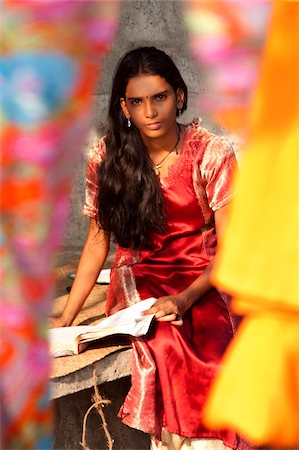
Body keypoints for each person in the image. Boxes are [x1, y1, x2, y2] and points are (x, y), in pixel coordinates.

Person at [51, 47, 241, 450]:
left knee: (213, 344)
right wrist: (66, 320)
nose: (150, 112)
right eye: (137, 102)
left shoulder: (211, 153)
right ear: (124, 107)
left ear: (180, 96)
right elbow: (97, 243)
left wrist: (186, 298)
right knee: (165, 338)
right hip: (140, 278)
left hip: (204, 275)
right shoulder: (107, 158)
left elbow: (232, 249)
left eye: (160, 97)